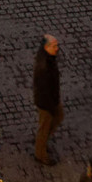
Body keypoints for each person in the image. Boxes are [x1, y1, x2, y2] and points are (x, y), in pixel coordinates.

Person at [32, 35, 63, 166]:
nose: (57, 48)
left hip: (51, 100)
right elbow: (44, 91)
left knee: (57, 118)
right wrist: (51, 107)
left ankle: (42, 143)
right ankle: (40, 154)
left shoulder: (47, 58)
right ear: (46, 47)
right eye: (54, 46)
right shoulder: (43, 67)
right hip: (46, 104)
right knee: (45, 127)